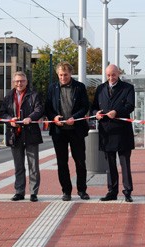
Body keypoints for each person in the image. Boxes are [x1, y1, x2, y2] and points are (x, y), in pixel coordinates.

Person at [45, 61, 90, 201]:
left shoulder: (79, 87)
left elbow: (85, 106)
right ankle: (66, 191)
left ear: (71, 73)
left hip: (76, 130)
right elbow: (47, 107)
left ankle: (82, 190)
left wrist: (75, 118)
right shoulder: (52, 88)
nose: (63, 77)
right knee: (61, 162)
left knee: (80, 161)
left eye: (65, 75)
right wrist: (54, 117)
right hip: (59, 131)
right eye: (60, 75)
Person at [91, 64, 135, 202]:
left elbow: (130, 106)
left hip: (123, 132)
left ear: (118, 73)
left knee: (125, 163)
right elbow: (93, 107)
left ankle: (127, 191)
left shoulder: (128, 88)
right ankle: (112, 191)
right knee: (110, 165)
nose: (111, 77)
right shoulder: (100, 88)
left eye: (113, 74)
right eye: (108, 75)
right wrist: (95, 113)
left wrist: (117, 112)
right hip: (106, 132)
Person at [0, 71, 44, 202]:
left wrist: (30, 118)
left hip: (31, 133)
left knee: (33, 165)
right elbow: (2, 112)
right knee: (18, 165)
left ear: (26, 82)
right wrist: (9, 119)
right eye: (17, 81)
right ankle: (19, 191)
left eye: (22, 81)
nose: (19, 83)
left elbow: (39, 109)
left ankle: (33, 192)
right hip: (15, 134)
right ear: (13, 82)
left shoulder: (34, 95)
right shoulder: (8, 96)